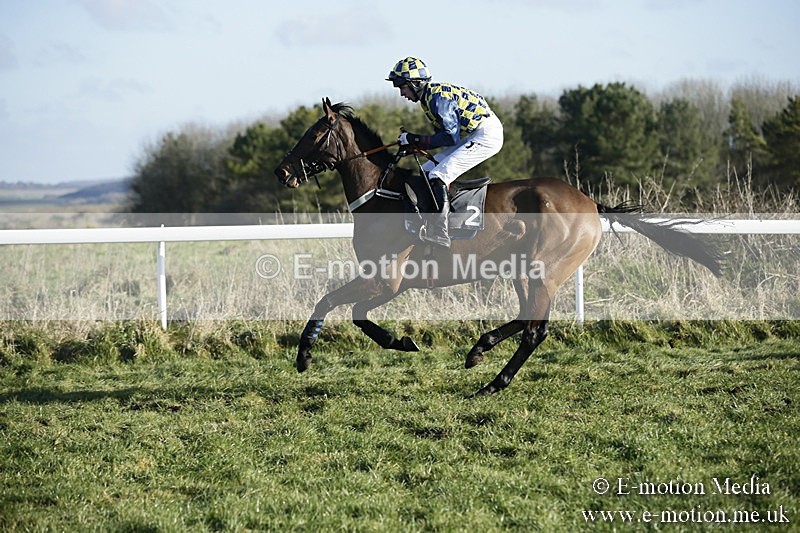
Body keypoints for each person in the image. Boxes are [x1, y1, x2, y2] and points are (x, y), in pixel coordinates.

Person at [386, 56, 504, 248]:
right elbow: (443, 135)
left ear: (416, 84)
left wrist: (414, 139)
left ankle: (440, 232)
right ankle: (427, 221)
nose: (401, 93)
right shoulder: (428, 97)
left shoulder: (437, 98)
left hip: (486, 135)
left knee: (438, 175)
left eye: (403, 87)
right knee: (426, 170)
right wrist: (414, 144)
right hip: (474, 132)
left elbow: (450, 138)